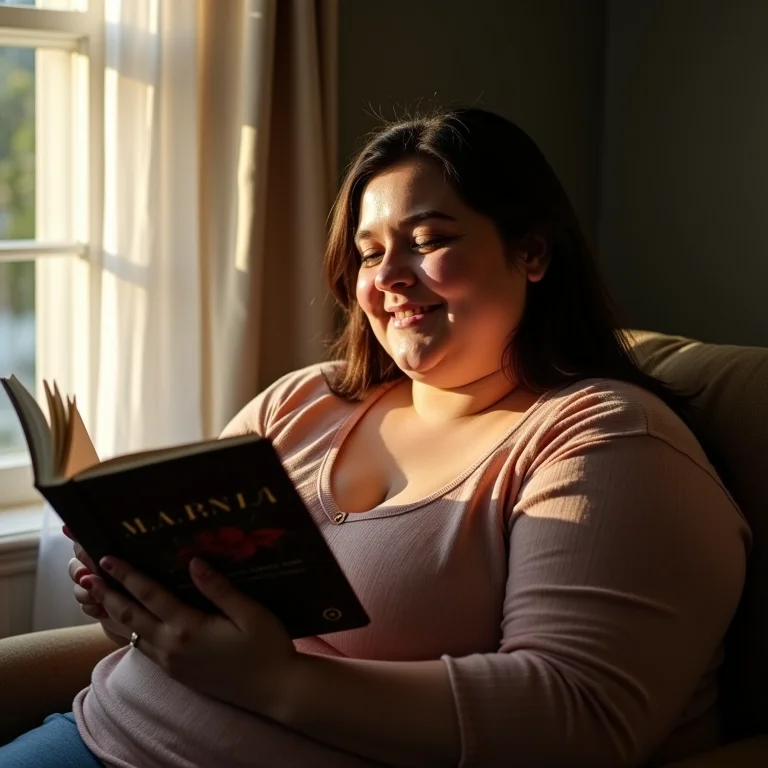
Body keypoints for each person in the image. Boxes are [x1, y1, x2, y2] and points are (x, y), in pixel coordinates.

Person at [1, 106, 750, 768]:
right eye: (368, 252)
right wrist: (137, 600)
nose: (388, 276)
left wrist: (276, 681)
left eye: (428, 239)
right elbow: (206, 617)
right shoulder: (302, 402)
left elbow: (577, 715)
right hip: (100, 733)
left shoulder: (606, 441)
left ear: (532, 253)